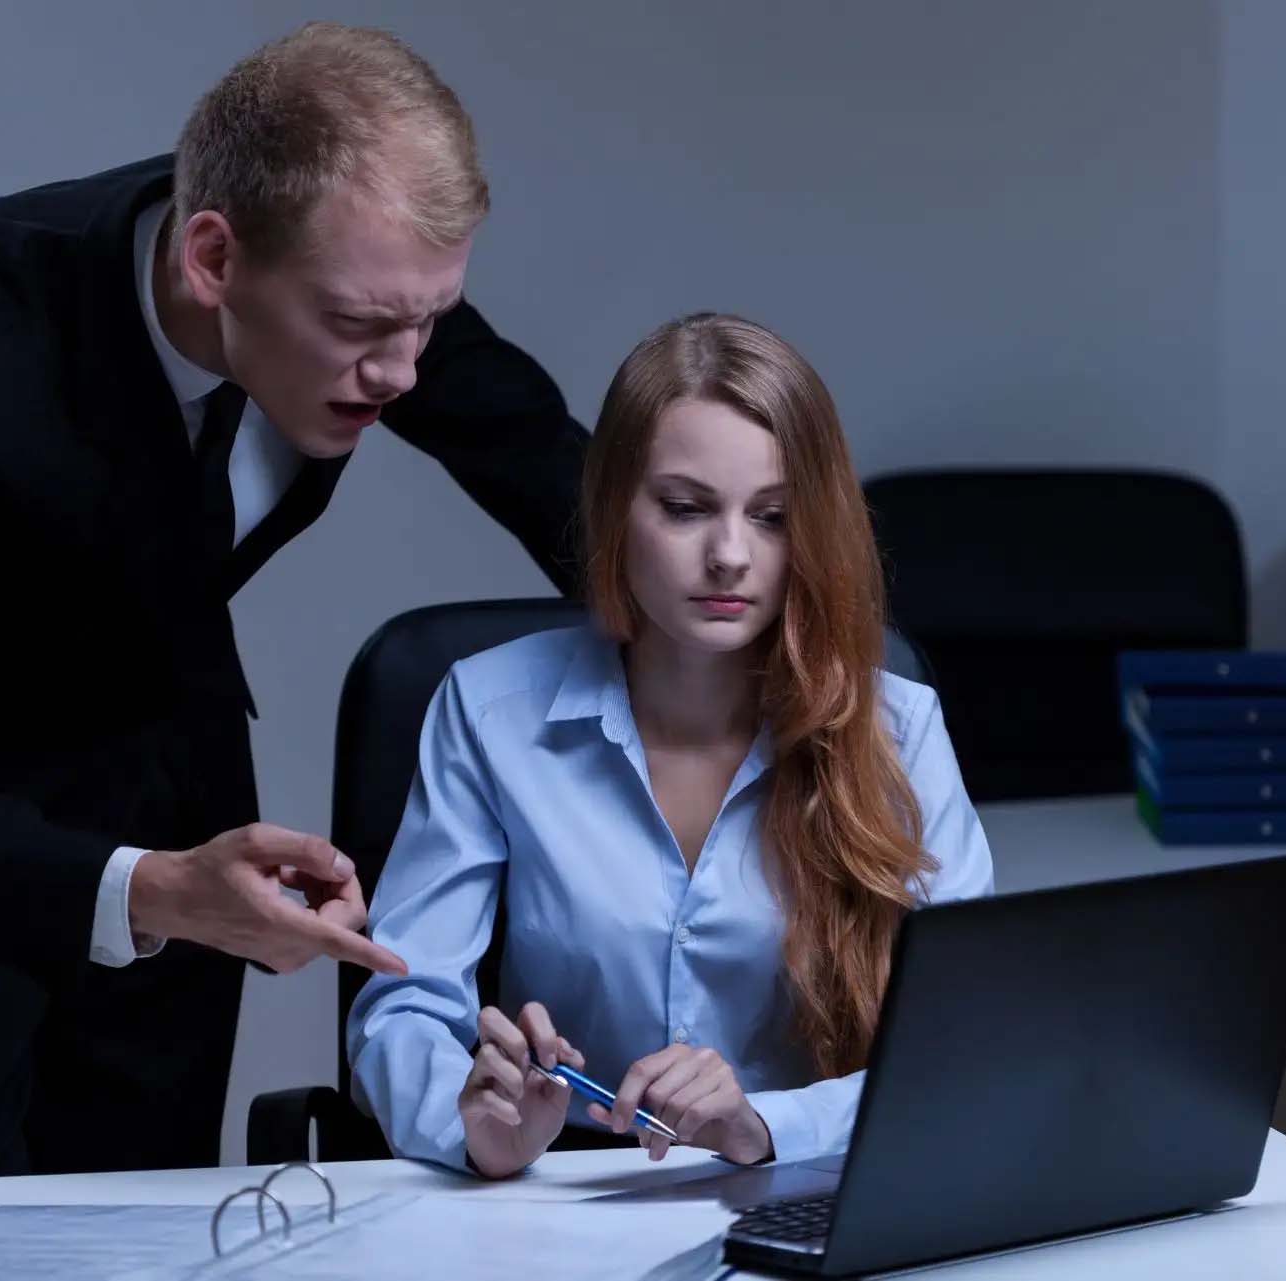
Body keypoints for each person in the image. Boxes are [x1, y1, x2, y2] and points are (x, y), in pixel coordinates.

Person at [0, 22, 587, 1182]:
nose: (405, 371)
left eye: (430, 319)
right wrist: (154, 887)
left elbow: (566, 481)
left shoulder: (368, 289)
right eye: (366, 330)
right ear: (214, 260)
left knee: (149, 1238)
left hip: (167, 816)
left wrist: (772, 645)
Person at [347, 313, 993, 1177]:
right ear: (615, 507)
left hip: (802, 1192)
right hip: (551, 1196)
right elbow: (403, 1007)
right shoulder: (487, 709)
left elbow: (962, 1048)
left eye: (772, 517)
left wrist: (762, 1122)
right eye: (686, 509)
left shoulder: (898, 727)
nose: (730, 555)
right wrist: (474, 1127)